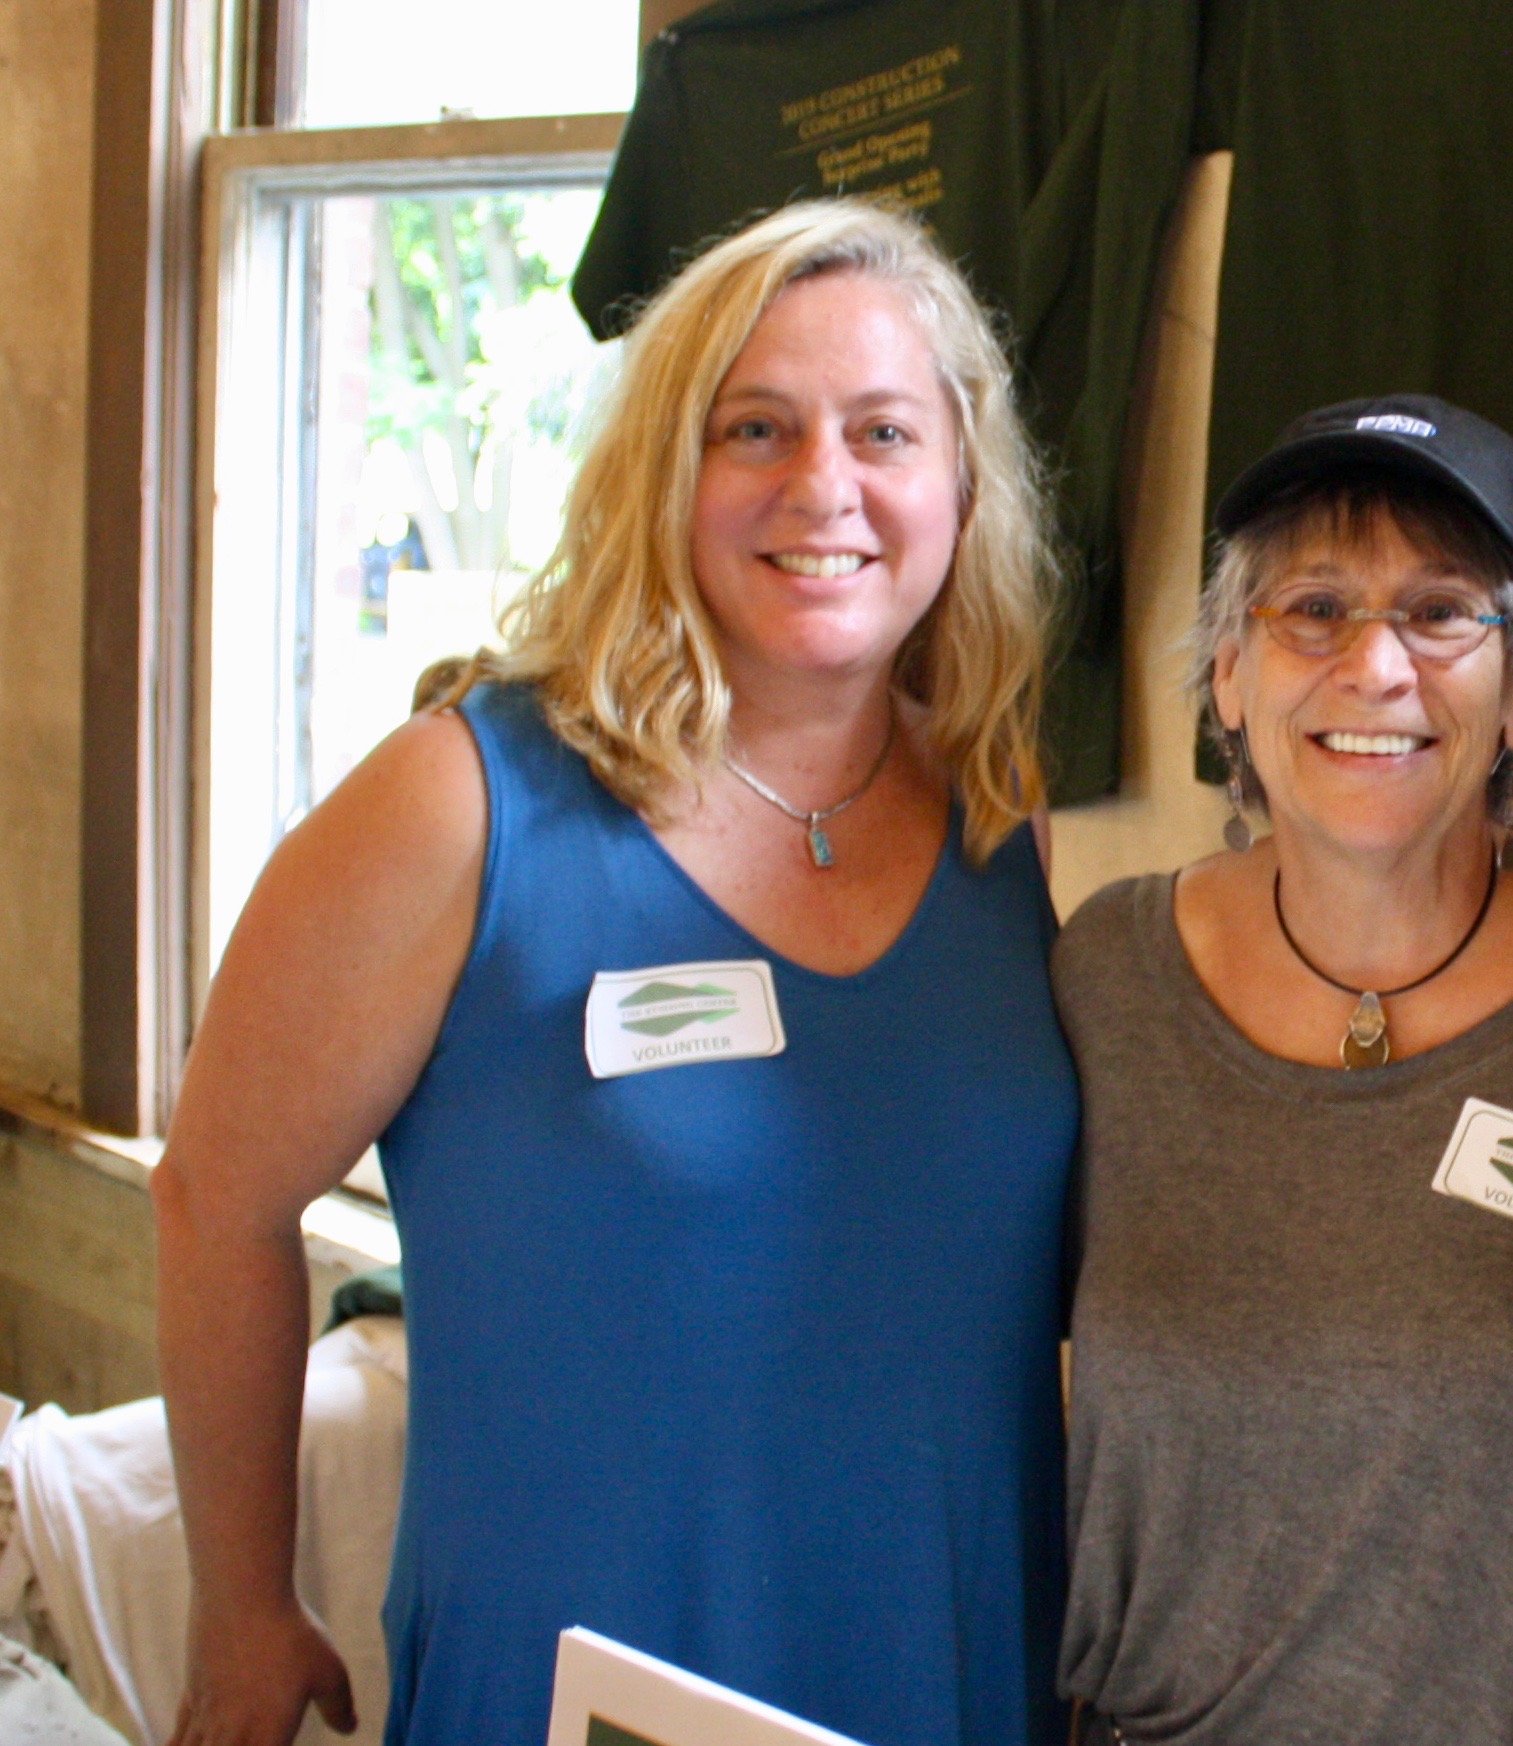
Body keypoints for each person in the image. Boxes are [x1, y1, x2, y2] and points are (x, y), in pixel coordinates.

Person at [153, 201, 1076, 1746]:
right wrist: (243, 1605)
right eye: (756, 428)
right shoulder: (462, 804)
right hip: (582, 1683)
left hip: (949, 1667)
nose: (824, 486)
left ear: (962, 482)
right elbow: (213, 1200)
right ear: (667, 472)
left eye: (884, 433)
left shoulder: (1005, 823)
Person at [1053, 396, 1513, 1746]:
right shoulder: (1108, 982)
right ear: (1226, 676)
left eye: (1442, 611)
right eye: (1312, 609)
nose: (1375, 664)